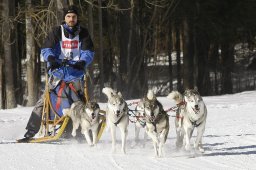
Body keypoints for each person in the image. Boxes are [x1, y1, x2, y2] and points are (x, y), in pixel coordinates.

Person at [22, 5, 94, 140]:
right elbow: (46, 49)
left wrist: (83, 62)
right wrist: (50, 59)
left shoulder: (83, 33)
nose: (71, 19)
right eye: (68, 16)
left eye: (74, 17)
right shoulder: (56, 31)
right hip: (58, 72)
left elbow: (88, 52)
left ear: (77, 18)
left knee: (80, 103)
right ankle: (31, 130)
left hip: (75, 74)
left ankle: (83, 131)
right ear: (64, 18)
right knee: (44, 101)